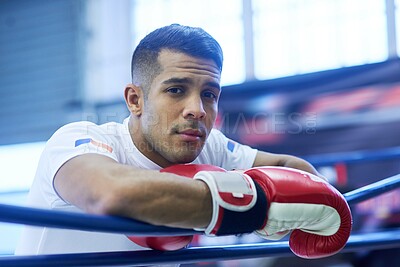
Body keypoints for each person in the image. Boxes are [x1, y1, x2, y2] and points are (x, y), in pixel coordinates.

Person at [15, 24, 351, 259]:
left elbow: (292, 169)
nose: (197, 110)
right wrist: (254, 209)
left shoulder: (210, 146)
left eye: (209, 94)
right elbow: (113, 194)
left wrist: (282, 205)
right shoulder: (79, 138)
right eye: (176, 90)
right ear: (135, 100)